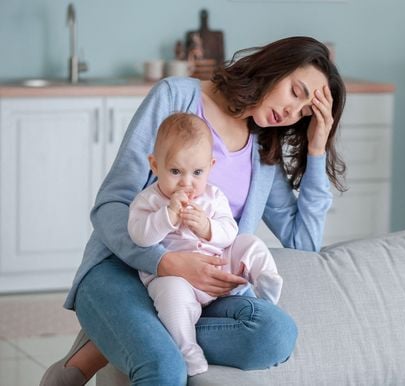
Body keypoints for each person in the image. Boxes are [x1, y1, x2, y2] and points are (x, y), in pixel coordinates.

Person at [40, 35, 346, 386]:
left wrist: (317, 148)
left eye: (305, 112)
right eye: (296, 92)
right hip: (122, 268)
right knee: (166, 368)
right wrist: (164, 262)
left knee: (275, 335)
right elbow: (111, 203)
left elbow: (303, 244)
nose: (293, 113)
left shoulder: (263, 148)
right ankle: (126, 340)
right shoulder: (176, 97)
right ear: (275, 67)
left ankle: (115, 340)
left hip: (200, 292)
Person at [129, 112, 283, 376]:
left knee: (249, 243)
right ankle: (186, 347)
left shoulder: (213, 196)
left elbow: (229, 232)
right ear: (155, 166)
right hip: (177, 279)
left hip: (217, 265)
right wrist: (167, 217)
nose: (187, 183)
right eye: (175, 171)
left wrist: (207, 228)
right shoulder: (150, 201)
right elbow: (140, 236)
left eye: (197, 172)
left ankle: (265, 281)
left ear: (211, 166)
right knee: (171, 295)